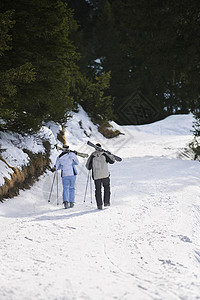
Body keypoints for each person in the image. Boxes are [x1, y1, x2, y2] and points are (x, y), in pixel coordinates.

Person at [86, 143, 115, 209]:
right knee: (107, 188)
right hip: (105, 175)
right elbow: (112, 161)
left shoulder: (92, 156)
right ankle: (106, 202)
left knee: (98, 190)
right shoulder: (105, 154)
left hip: (97, 176)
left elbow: (88, 166)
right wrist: (110, 154)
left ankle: (99, 205)